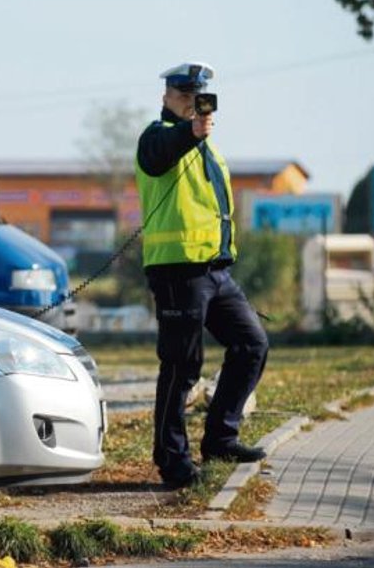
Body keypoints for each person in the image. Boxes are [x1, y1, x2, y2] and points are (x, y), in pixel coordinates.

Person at [134, 62, 269, 489]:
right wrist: (187, 131)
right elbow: (158, 157)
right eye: (183, 95)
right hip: (177, 270)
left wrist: (196, 136)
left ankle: (221, 439)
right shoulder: (157, 136)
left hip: (214, 270)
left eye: (198, 97)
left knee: (252, 344)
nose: (191, 103)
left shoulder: (209, 150)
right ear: (166, 97)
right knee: (181, 366)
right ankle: (172, 460)